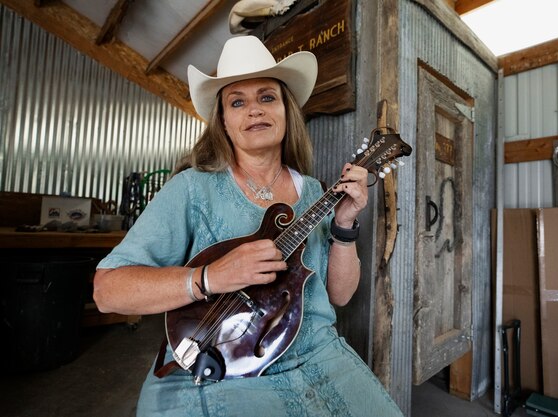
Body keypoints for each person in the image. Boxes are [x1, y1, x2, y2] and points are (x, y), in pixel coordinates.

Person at [93, 35, 403, 417]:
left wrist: (344, 224)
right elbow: (108, 291)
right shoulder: (192, 189)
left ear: (286, 111)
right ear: (224, 121)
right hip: (225, 366)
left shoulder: (316, 193)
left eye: (267, 97)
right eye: (237, 101)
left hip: (320, 359)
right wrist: (207, 278)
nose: (254, 110)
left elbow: (338, 296)